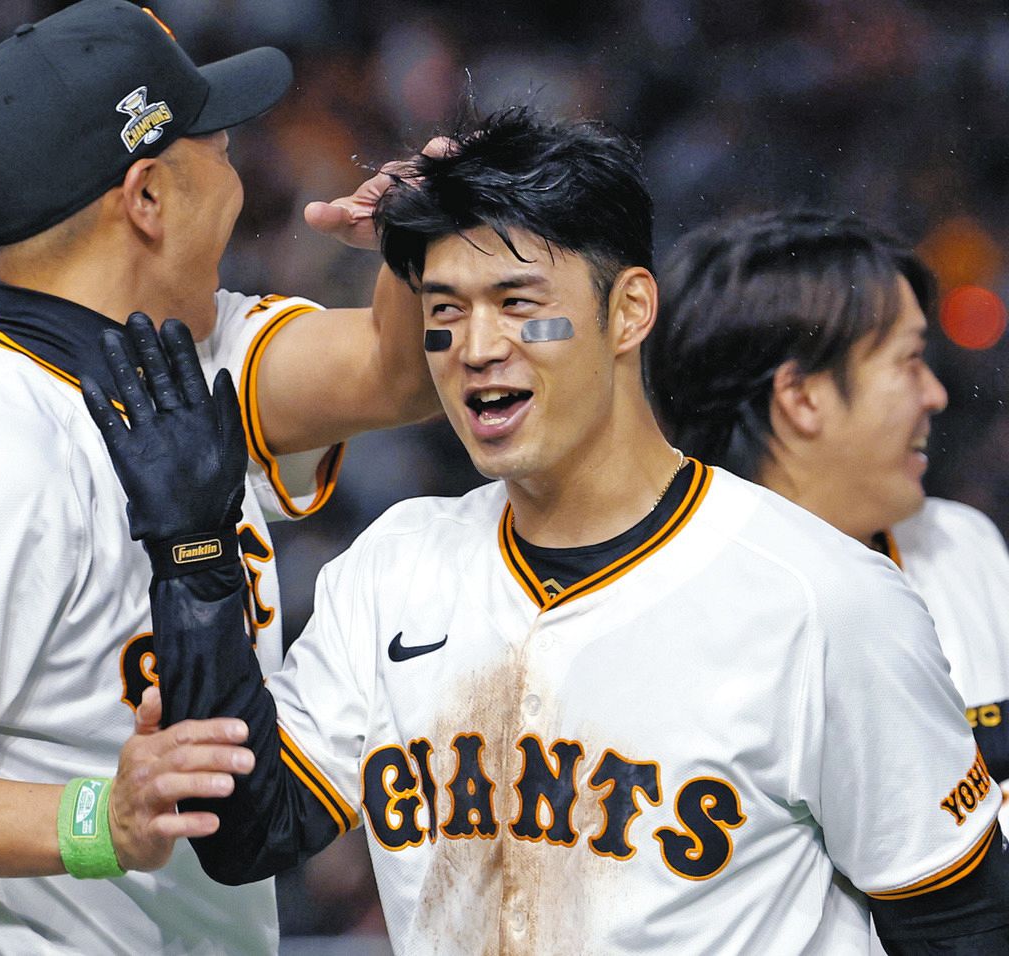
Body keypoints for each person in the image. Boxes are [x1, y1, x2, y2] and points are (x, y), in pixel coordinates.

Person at [84, 107, 1009, 954]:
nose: (479, 345)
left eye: (520, 302)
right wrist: (194, 550)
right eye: (446, 311)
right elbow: (252, 835)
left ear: (630, 310)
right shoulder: (396, 568)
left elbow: (960, 926)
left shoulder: (827, 599)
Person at [0, 1, 435, 953]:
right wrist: (96, 821)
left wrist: (418, 239)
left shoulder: (193, 354)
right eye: (212, 144)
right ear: (146, 197)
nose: (236, 170)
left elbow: (401, 371)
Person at [645, 209, 1009, 816]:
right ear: (801, 396)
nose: (936, 395)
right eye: (909, 360)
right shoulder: (666, 621)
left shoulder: (961, 544)